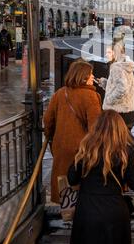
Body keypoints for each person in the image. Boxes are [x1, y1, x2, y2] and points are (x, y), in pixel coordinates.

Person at [67, 110, 134, 244]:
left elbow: (72, 179)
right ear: (120, 129)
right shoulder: (125, 151)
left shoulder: (85, 148)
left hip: (87, 210)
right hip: (114, 211)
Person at [43, 59, 102, 204]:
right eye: (91, 74)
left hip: (61, 146)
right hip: (82, 149)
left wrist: (51, 139)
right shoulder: (91, 96)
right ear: (83, 76)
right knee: (82, 181)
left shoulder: (59, 94)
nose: (93, 77)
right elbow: (96, 128)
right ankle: (81, 212)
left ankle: (66, 208)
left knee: (63, 179)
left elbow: (47, 120)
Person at [99, 42, 134, 131]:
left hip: (118, 114)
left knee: (115, 143)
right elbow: (123, 84)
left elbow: (122, 89)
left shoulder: (116, 68)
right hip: (128, 113)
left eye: (109, 52)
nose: (106, 54)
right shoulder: (125, 65)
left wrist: (108, 100)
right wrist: (106, 83)